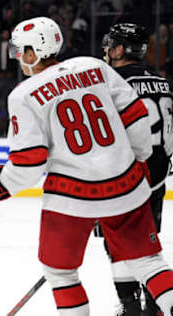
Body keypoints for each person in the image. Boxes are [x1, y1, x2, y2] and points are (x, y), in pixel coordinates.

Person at [0, 17, 173, 316]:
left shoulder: (22, 95)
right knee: (149, 263)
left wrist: (1, 184)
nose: (18, 58)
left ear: (34, 53)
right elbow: (137, 119)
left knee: (60, 273)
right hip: (126, 185)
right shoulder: (94, 66)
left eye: (20, 51)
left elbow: (29, 162)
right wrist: (137, 160)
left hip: (70, 200)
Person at [101, 23, 173, 316]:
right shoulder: (163, 82)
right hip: (157, 178)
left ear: (119, 50)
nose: (105, 50)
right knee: (148, 248)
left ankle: (131, 307)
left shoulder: (110, 83)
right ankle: (154, 307)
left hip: (125, 180)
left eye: (110, 44)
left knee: (119, 245)